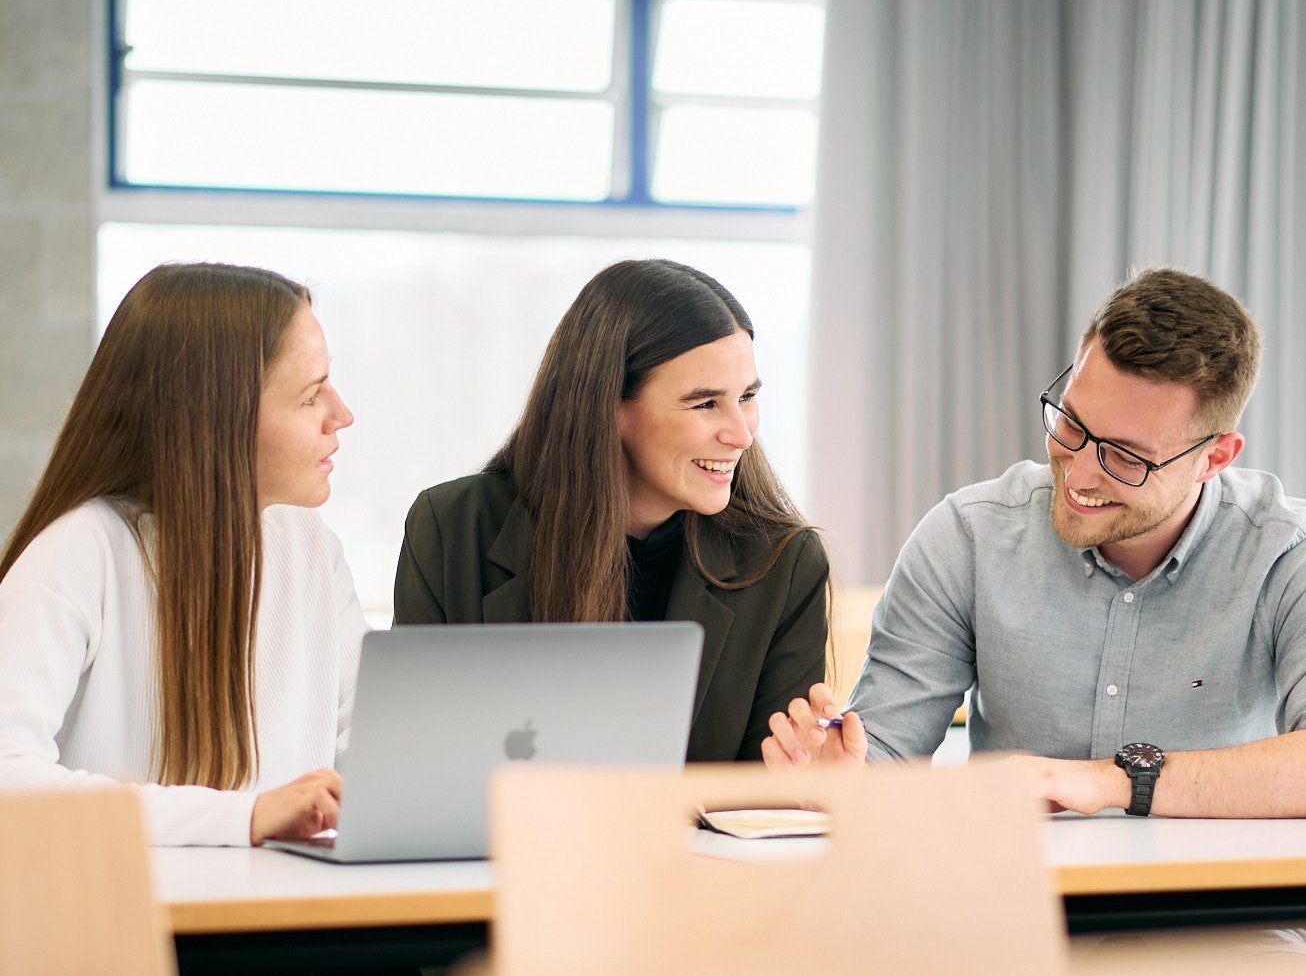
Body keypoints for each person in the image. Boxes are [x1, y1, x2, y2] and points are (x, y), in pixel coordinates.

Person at [764, 267, 1306, 818]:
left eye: (1125, 456)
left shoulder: (1285, 554)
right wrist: (843, 776)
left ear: (1213, 459)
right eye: (1071, 424)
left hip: (1223, 894)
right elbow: (884, 752)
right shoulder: (968, 537)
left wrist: (1114, 782)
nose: (1079, 475)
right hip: (1014, 888)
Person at [394, 258, 829, 761]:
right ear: (609, 406)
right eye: (705, 403)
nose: (742, 432)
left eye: (748, 396)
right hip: (500, 842)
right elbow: (417, 763)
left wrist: (815, 784)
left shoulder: (784, 564)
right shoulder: (452, 529)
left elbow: (764, 806)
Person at [0, 262, 366, 846]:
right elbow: (8, 779)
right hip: (126, 925)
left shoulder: (312, 552)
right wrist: (243, 818)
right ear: (216, 417)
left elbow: (372, 758)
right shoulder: (79, 552)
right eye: (309, 397)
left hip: (286, 917)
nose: (341, 415)